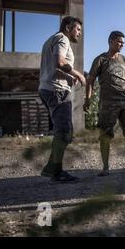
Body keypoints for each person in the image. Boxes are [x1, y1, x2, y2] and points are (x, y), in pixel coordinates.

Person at [85, 31, 125, 176]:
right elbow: (90, 80)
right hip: (108, 102)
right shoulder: (100, 59)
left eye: (123, 43)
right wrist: (87, 99)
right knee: (106, 134)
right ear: (111, 41)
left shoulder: (123, 59)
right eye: (119, 42)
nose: (122, 45)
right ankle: (105, 168)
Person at [39, 16, 86, 183]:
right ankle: (54, 171)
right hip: (57, 91)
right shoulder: (62, 38)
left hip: (49, 89)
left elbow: (54, 67)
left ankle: (53, 169)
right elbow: (59, 61)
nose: (80, 33)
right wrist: (78, 74)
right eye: (78, 29)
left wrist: (67, 76)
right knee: (64, 131)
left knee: (63, 130)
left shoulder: (50, 40)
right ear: (68, 27)